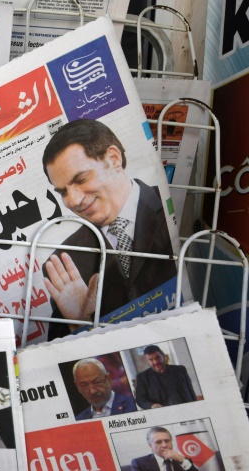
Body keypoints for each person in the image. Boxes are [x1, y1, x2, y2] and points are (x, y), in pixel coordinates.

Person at [41, 119, 175, 341]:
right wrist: (79, 324)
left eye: (81, 179)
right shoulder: (64, 262)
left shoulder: (175, 205)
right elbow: (62, 351)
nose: (74, 200)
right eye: (63, 192)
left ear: (113, 159)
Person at [72, 358, 137, 420]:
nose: (92, 391)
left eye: (97, 382)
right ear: (77, 386)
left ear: (109, 379)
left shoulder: (134, 405)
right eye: (84, 385)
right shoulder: (79, 420)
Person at [135, 345, 197, 409]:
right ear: (147, 361)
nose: (155, 362)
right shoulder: (142, 378)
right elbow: (140, 400)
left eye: (158, 357)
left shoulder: (180, 370)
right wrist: (151, 405)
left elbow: (191, 392)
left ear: (163, 355)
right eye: (151, 360)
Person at [131, 427, 199, 471]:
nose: (164, 445)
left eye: (167, 441)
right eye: (158, 442)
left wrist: (181, 460)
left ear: (171, 442)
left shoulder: (183, 460)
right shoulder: (139, 463)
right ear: (151, 446)